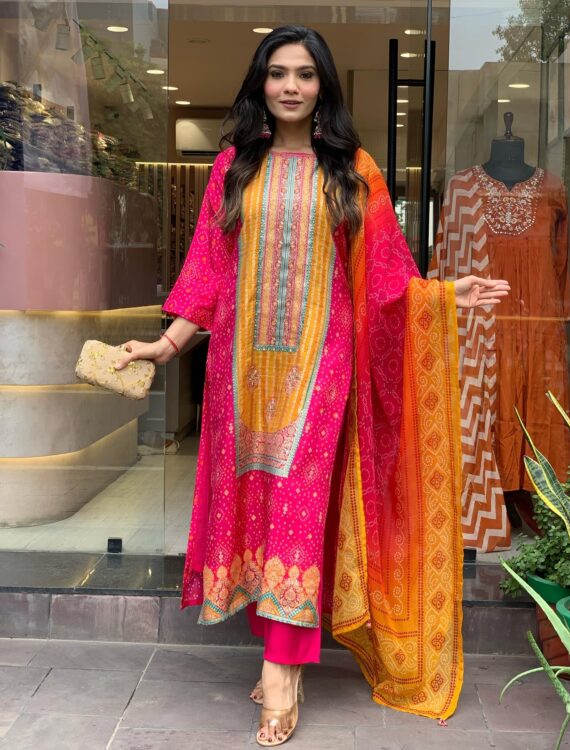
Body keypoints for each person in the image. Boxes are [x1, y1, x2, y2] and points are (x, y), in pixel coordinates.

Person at [116, 25, 510, 747]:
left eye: (304, 73)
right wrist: (165, 345)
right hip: (239, 373)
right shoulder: (233, 166)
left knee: (298, 510)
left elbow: (388, 278)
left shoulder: (353, 170)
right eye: (277, 73)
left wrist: (446, 295)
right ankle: (279, 657)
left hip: (321, 371)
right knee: (258, 507)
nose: (290, 86)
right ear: (260, 83)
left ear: (323, 85)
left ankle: (282, 673)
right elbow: (208, 272)